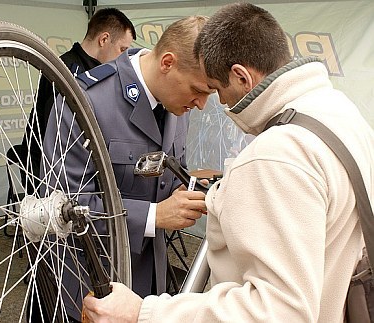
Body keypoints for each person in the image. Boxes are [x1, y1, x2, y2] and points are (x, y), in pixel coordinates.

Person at [82, 2, 374, 322]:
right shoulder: (339, 112)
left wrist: (146, 312)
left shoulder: (276, 154)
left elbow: (279, 310)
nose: (215, 104)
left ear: (241, 77)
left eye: (218, 89)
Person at [42, 15, 212, 319]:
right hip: (94, 279)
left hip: (150, 281)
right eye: (199, 90)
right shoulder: (85, 101)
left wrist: (194, 194)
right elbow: (62, 204)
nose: (201, 104)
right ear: (168, 63)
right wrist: (153, 215)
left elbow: (169, 176)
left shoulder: (178, 101)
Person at [20, 8, 136, 193]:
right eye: (122, 49)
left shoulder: (104, 71)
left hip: (84, 171)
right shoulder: (67, 70)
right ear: (104, 39)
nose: (123, 57)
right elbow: (57, 132)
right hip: (50, 174)